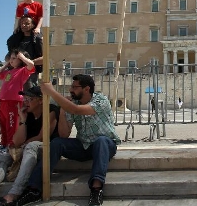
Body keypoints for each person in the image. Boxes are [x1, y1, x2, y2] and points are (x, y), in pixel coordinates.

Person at [17, 74, 121, 206]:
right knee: (57, 143)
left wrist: (52, 92)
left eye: (74, 87)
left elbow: (77, 110)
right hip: (83, 146)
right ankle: (34, 189)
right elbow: (64, 134)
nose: (71, 90)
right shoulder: (73, 104)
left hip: (105, 145)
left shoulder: (101, 100)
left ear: (86, 89)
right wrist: (62, 111)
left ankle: (96, 189)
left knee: (101, 141)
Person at [0, 86, 59, 206]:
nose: (25, 102)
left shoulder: (51, 110)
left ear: (41, 100)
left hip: (46, 147)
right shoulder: (26, 113)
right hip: (27, 148)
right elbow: (17, 141)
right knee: (4, 156)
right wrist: (22, 119)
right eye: (25, 98)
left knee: (31, 146)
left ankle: (14, 193)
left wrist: (23, 146)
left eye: (30, 99)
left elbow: (42, 136)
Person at [0, 50, 35, 155]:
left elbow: (31, 65)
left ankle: (10, 145)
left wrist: (22, 57)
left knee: (11, 125)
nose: (11, 60)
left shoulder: (22, 71)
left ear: (20, 60)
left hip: (13, 101)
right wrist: (6, 64)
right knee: (3, 125)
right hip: (3, 101)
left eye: (14, 58)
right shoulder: (8, 72)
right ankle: (4, 144)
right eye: (10, 58)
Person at [7, 16, 43, 90]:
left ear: (33, 25)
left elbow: (44, 58)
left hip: (29, 73)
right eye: (22, 23)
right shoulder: (14, 39)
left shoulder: (37, 39)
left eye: (27, 23)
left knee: (28, 95)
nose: (23, 25)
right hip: (14, 73)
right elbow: (8, 56)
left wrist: (27, 63)